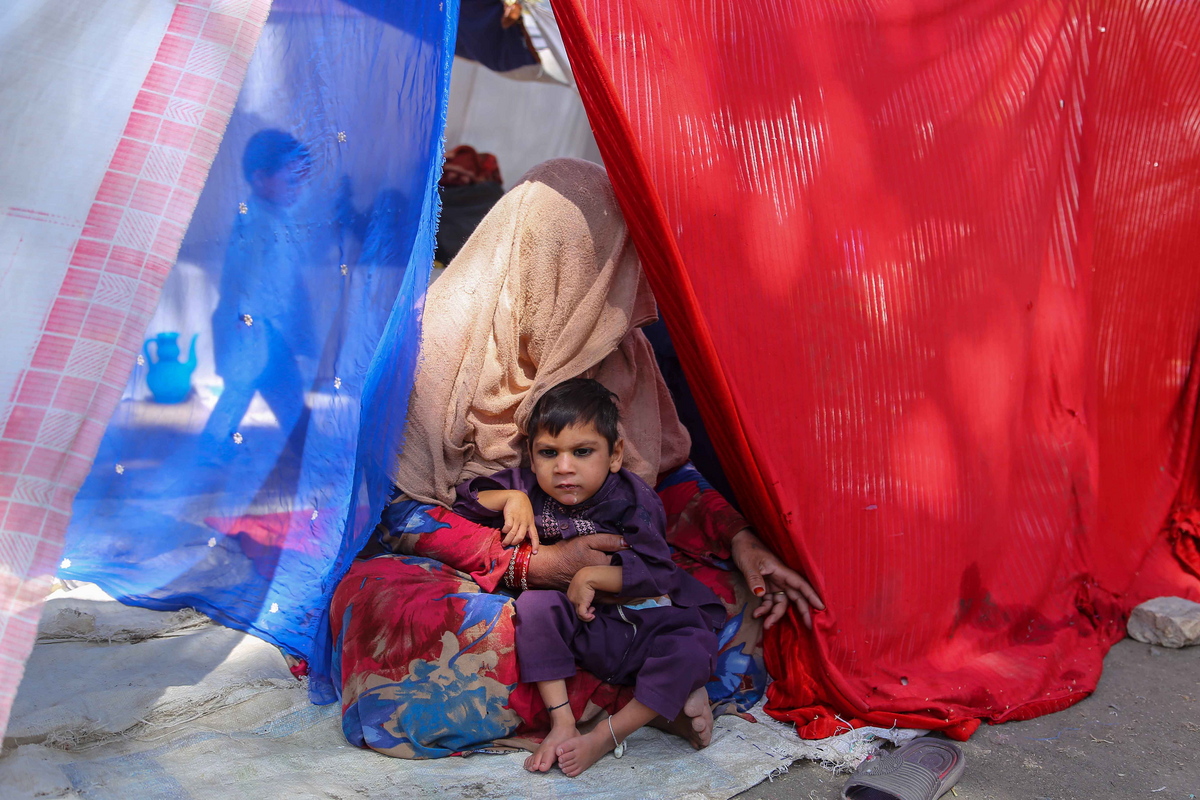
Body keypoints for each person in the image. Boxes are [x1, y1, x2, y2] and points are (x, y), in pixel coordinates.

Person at [329, 158, 822, 760]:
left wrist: (740, 538)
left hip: (604, 578)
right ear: (534, 263)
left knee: (743, 598)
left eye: (610, 271)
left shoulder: (615, 345)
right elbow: (398, 513)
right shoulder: (436, 344)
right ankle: (649, 699)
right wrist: (531, 566)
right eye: (586, 272)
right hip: (475, 569)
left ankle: (608, 700)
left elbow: (666, 476)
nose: (605, 294)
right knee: (399, 610)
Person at [453, 379, 725, 776]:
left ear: (614, 455)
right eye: (549, 453)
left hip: (644, 625)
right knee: (535, 604)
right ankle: (563, 722)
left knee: (693, 648)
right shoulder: (530, 489)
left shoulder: (633, 500)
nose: (564, 468)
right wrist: (512, 498)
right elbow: (466, 500)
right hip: (587, 627)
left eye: (582, 452)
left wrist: (593, 576)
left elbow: (658, 572)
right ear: (532, 457)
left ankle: (604, 736)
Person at [199, 129, 316, 464]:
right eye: (290, 181)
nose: (297, 190)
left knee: (270, 389)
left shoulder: (275, 218)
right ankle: (212, 448)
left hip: (268, 325)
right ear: (260, 178)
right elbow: (245, 275)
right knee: (249, 389)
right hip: (251, 325)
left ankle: (304, 447)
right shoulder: (256, 222)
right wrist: (245, 318)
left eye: (301, 182)